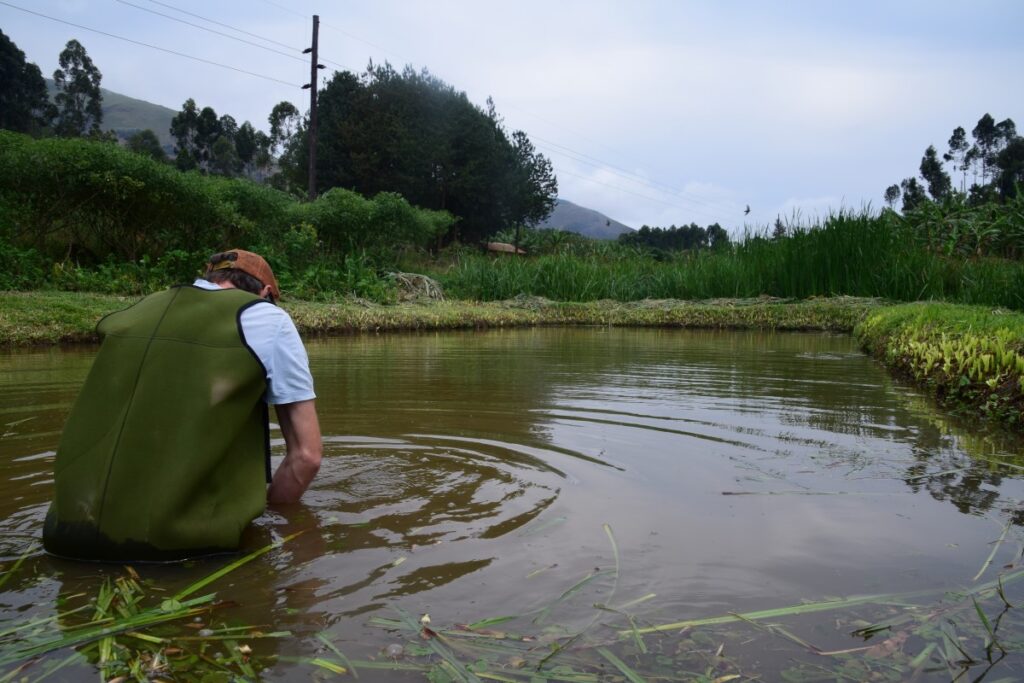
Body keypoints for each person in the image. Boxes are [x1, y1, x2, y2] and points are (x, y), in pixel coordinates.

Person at [42, 249, 322, 562]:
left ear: (210, 279)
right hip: (183, 546)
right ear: (266, 292)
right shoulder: (269, 318)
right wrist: (274, 520)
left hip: (63, 534)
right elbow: (306, 456)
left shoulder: (143, 309)